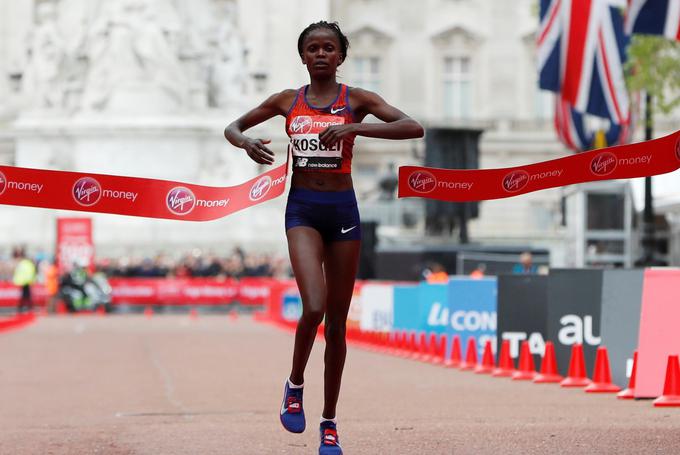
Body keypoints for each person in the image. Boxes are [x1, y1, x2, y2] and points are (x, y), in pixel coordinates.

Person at [224, 21, 423, 455]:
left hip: (345, 214)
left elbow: (413, 127)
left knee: (337, 324)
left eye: (328, 48)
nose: (320, 54)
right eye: (312, 48)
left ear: (340, 56)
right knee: (313, 305)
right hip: (303, 212)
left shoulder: (357, 100)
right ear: (302, 56)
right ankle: (294, 384)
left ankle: (329, 422)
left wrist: (355, 129)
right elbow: (233, 126)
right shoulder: (286, 100)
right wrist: (245, 143)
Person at [12, 247, 36, 314]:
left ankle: (24, 308)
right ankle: (26, 308)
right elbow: (30, 273)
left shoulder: (23, 264)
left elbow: (19, 273)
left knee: (25, 295)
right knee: (26, 295)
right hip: (26, 281)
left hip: (24, 282)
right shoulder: (27, 264)